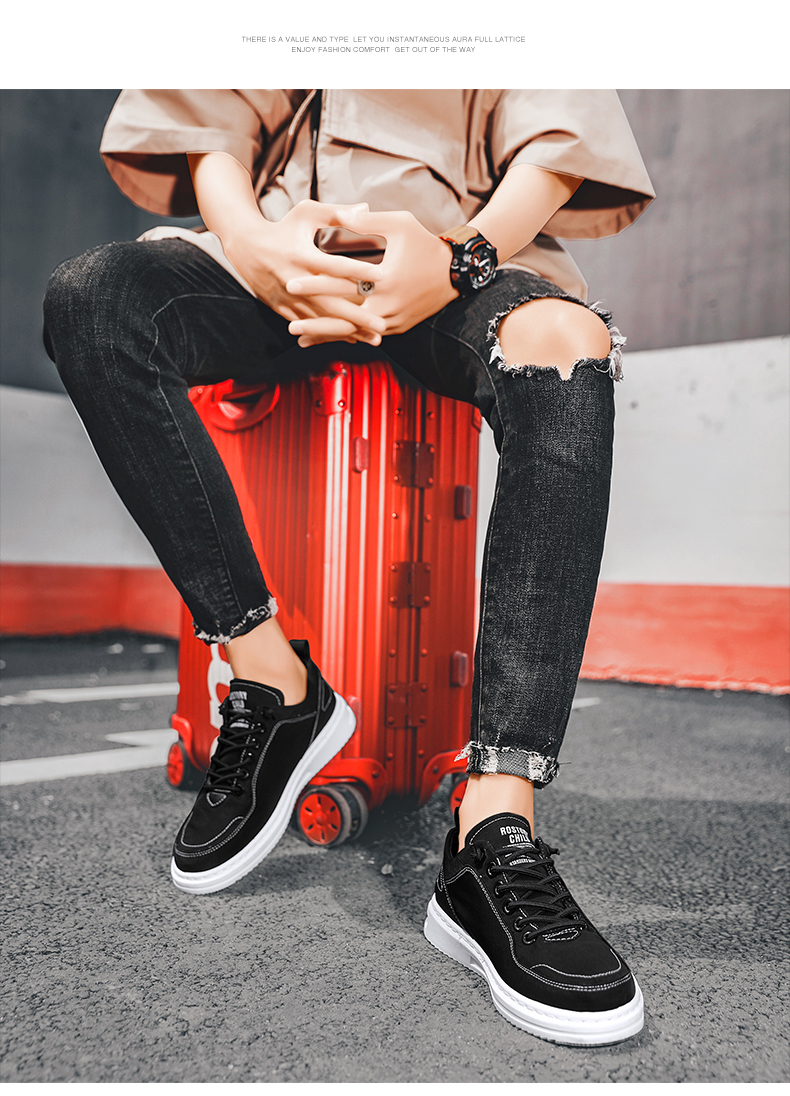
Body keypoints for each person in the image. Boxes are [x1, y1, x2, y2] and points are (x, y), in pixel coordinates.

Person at [43, 90, 654, 1046]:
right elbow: (210, 122)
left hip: (451, 256)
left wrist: (460, 259)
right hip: (272, 260)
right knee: (93, 299)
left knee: (566, 348)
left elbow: (556, 131)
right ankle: (274, 682)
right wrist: (253, 246)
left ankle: (492, 830)